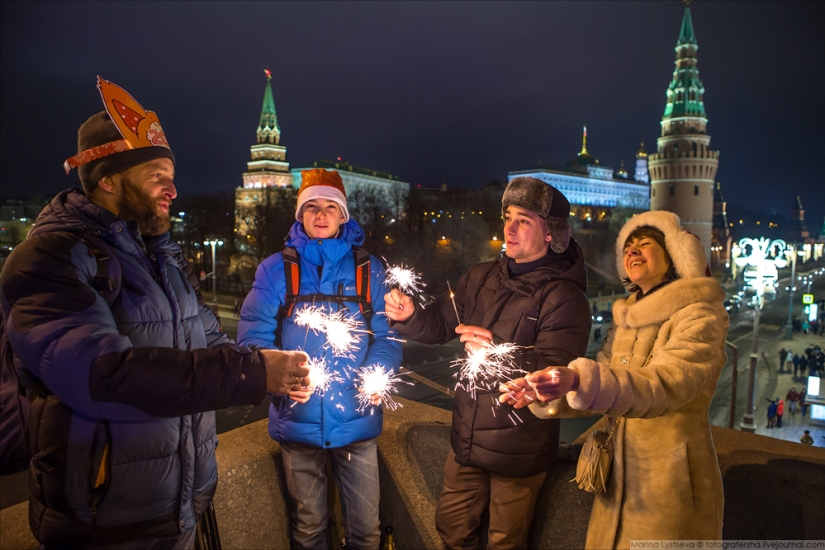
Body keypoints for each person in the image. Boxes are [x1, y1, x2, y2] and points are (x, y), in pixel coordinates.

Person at [0, 77, 310, 548]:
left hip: (181, 510)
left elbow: (212, 342)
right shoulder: (48, 258)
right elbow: (101, 375)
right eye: (156, 176)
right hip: (103, 524)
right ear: (108, 179)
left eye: (172, 174)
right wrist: (251, 373)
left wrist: (280, 374)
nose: (173, 190)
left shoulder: (161, 258)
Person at [384, 177, 590, 548]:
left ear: (551, 234)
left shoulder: (566, 297)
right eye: (507, 216)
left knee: (504, 543)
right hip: (466, 441)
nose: (509, 229)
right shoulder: (479, 277)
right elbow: (441, 325)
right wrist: (412, 315)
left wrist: (498, 350)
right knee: (451, 529)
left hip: (520, 449)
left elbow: (558, 369)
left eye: (524, 220)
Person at [501, 210, 728, 547]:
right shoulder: (629, 318)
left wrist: (578, 379)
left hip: (670, 485)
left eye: (645, 244)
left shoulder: (699, 315)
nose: (632, 251)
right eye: (628, 246)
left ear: (676, 256)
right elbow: (601, 388)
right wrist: (545, 391)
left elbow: (665, 385)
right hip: (615, 480)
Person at [237, 168, 402, 550]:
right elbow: (253, 338)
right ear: (300, 215)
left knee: (366, 531)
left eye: (331, 207)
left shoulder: (369, 269)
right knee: (309, 528)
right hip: (298, 422)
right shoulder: (275, 269)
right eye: (312, 207)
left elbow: (387, 335)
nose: (321, 214)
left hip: (357, 425)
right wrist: (281, 377)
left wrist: (377, 374)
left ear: (344, 216)